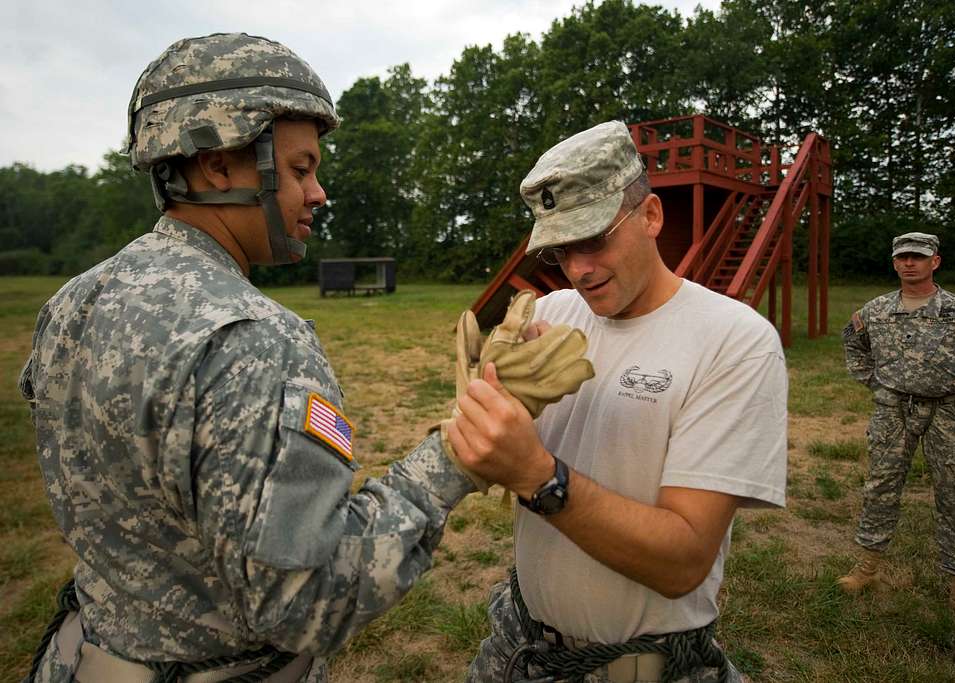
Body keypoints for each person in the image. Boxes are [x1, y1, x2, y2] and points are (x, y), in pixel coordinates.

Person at [17, 33, 587, 683]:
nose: (318, 192)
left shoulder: (72, 303)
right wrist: (456, 456)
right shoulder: (257, 340)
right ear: (217, 164)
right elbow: (309, 602)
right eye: (299, 168)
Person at [448, 121, 788, 683]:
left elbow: (683, 561)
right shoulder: (552, 317)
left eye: (595, 239)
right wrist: (486, 422)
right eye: (561, 251)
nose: (579, 269)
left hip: (641, 667)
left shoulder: (735, 342)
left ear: (652, 216)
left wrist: (538, 476)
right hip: (519, 644)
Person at [838, 232, 955, 640]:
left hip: (949, 413)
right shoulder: (876, 311)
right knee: (880, 487)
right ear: (895, 262)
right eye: (902, 257)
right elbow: (852, 343)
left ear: (936, 261)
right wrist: (876, 384)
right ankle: (866, 567)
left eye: (918, 257)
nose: (909, 263)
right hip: (894, 410)